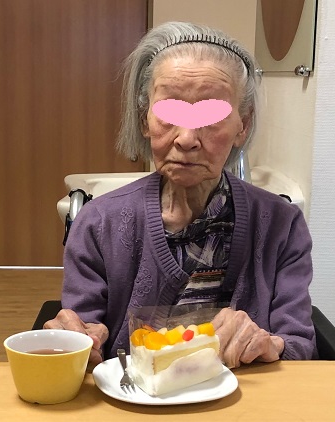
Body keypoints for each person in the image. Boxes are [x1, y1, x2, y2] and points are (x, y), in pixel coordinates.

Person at [44, 21, 317, 369]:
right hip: (133, 397)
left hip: (247, 397)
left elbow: (299, 346)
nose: (186, 138)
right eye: (169, 111)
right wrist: (76, 343)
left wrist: (272, 344)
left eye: (211, 115)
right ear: (144, 120)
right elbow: (83, 336)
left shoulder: (282, 224)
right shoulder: (98, 224)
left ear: (243, 125)